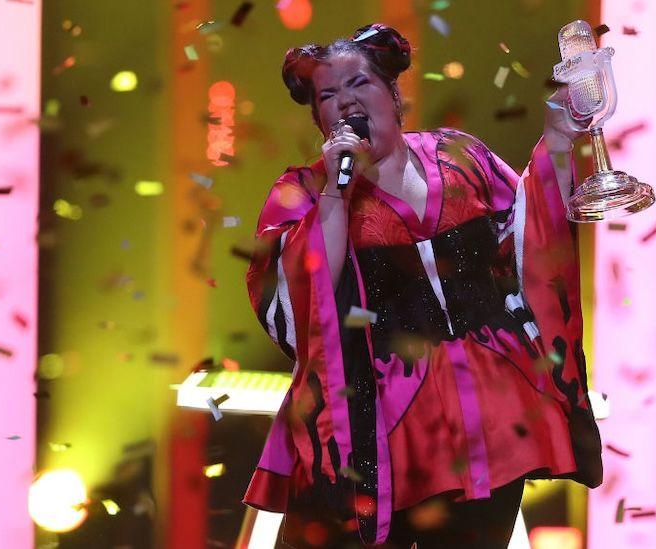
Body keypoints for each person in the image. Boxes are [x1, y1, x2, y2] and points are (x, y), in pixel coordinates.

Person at [243, 23, 603, 549]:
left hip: (488, 415)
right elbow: (304, 302)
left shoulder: (459, 155)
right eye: (327, 95)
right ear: (317, 116)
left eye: (359, 84)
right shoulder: (304, 191)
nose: (345, 102)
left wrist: (558, 136)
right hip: (380, 426)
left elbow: (525, 232)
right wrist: (337, 195)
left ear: (392, 94)